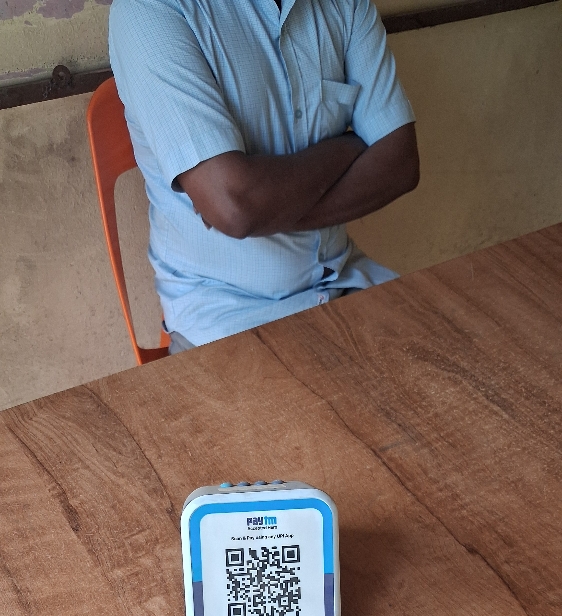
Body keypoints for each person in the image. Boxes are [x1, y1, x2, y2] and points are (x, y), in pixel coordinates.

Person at [109, 0, 419, 353]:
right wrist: (350, 145)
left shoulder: (343, 5)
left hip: (344, 281)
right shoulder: (149, 9)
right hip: (227, 319)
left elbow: (401, 164)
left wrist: (265, 212)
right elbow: (236, 207)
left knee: (454, 358)